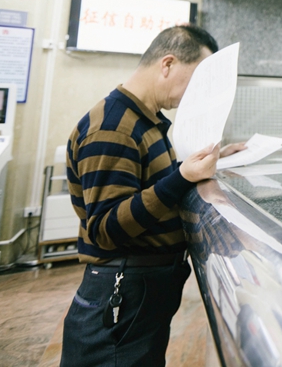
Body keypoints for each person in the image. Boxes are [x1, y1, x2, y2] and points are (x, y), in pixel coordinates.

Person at [60, 25, 245, 367]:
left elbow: (150, 182)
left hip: (142, 292)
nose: (195, 96)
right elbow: (105, 229)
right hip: (122, 292)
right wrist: (182, 176)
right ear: (168, 64)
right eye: (196, 82)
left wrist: (209, 162)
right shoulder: (113, 126)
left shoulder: (147, 122)